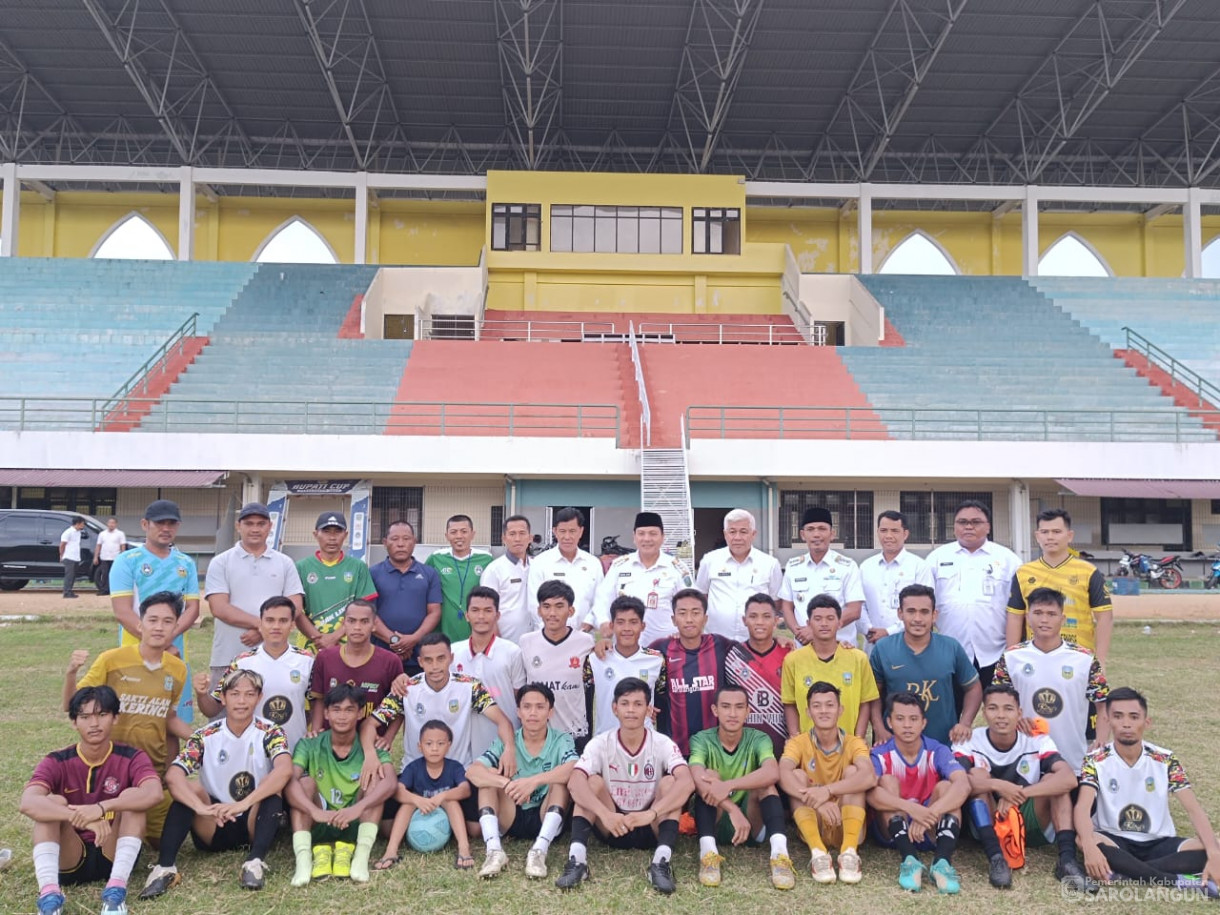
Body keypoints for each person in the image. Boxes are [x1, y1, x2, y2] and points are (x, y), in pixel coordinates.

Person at [139, 669, 292, 899]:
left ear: (259, 698)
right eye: (235, 694)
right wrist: (202, 808)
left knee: (274, 787)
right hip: (213, 820)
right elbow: (173, 776)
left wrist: (244, 804)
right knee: (189, 789)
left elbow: (284, 769)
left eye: (249, 694)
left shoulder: (271, 731)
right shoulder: (204, 735)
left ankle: (255, 862)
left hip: (252, 818)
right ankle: (165, 868)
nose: (242, 701)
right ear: (223, 698)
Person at [21, 685, 163, 915]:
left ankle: (116, 892)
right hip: (69, 855)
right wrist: (81, 818)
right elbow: (27, 803)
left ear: (115, 718)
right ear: (74, 722)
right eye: (85, 717)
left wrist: (102, 808)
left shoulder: (132, 756)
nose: (94, 724)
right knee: (52, 802)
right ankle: (49, 897)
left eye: (102, 715)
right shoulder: (57, 759)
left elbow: (153, 793)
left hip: (112, 851)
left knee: (131, 798)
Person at [67, 590, 192, 845]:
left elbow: (167, 718)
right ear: (139, 623)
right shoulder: (112, 660)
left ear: (176, 627)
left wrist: (200, 737)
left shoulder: (178, 669)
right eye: (152, 620)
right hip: (111, 769)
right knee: (106, 842)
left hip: (150, 772)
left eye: (167, 621)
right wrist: (71, 673)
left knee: (162, 841)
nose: (159, 627)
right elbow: (73, 704)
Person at [555, 677, 695, 895]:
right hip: (612, 824)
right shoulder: (601, 742)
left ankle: (661, 862)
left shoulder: (662, 743)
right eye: (625, 704)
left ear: (648, 710)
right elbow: (574, 782)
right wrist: (605, 814)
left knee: (670, 782)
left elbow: (687, 782)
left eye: (638, 704)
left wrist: (651, 813)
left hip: (651, 824)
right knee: (590, 782)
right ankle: (578, 860)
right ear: (614, 708)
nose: (631, 710)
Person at [1076, 687, 1220, 889]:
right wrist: (1090, 848)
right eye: (1118, 716)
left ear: (1146, 722)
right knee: (1083, 840)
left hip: (1159, 841)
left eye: (1134, 717)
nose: (1126, 723)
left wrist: (1214, 855)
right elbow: (1083, 807)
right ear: (1108, 721)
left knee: (1213, 848)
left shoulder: (1165, 759)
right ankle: (1175, 880)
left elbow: (1193, 809)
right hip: (1114, 839)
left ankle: (1128, 872)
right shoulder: (1095, 759)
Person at [954, 684, 1088, 890]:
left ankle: (1067, 860)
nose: (1000, 715)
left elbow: (1069, 779)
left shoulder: (1036, 738)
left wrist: (1020, 793)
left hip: (1028, 818)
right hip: (991, 821)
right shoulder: (969, 740)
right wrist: (998, 785)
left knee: (1055, 781)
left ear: (1019, 713)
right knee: (976, 776)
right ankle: (996, 858)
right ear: (984, 712)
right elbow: (956, 783)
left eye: (1008, 709)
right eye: (993, 708)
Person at [363, 633, 517, 783]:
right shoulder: (407, 689)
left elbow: (503, 721)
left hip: (459, 775)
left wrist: (509, 749)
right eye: (428, 660)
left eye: (441, 659)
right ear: (420, 662)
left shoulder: (470, 686)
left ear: (451, 658)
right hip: (414, 775)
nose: (435, 666)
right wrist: (370, 755)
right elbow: (369, 724)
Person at [286, 684, 396, 886]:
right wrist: (314, 811)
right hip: (319, 818)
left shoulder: (372, 747)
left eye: (349, 710)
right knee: (304, 782)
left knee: (376, 778)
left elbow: (390, 782)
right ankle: (303, 860)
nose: (342, 716)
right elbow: (289, 781)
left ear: (360, 712)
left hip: (357, 820)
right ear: (326, 713)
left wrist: (357, 808)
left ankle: (361, 856)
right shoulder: (309, 743)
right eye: (336, 710)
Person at [467, 683, 579, 879]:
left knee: (560, 782)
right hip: (512, 814)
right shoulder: (508, 741)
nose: (533, 713)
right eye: (527, 707)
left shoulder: (561, 739)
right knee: (488, 780)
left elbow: (574, 768)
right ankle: (494, 851)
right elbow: (472, 772)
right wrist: (506, 783)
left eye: (540, 707)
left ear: (550, 712)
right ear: (518, 712)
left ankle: (539, 851)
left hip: (547, 814)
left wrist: (533, 781)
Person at [993, 586, 1110, 774]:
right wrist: (1014, 720)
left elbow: (1103, 705)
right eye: (1038, 613)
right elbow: (997, 703)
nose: (1044, 620)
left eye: (1051, 614)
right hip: (1023, 758)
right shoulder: (1011, 657)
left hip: (1072, 759)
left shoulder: (1085, 659)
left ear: (1062, 619)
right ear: (1028, 618)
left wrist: (1101, 742)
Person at [688, 684, 795, 890]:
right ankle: (708, 854)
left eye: (739, 707)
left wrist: (728, 785)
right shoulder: (701, 739)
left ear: (748, 711)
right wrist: (732, 808)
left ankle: (780, 856)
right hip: (716, 820)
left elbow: (773, 772)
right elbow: (697, 777)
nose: (732, 713)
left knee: (767, 786)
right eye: (726, 707)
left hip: (751, 823)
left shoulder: (759, 738)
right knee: (709, 777)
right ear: (715, 710)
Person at [868, 692, 970, 894]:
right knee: (886, 782)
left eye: (913, 719)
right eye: (900, 719)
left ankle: (942, 862)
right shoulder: (879, 754)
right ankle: (909, 860)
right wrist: (912, 809)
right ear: (889, 722)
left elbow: (963, 785)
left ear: (923, 723)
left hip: (929, 828)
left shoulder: (937, 750)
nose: (907, 725)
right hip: (894, 829)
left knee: (948, 787)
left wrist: (928, 815)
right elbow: (870, 795)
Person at [109, 499, 199, 722]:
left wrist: (170, 640)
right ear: (144, 525)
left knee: (173, 719)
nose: (166, 529)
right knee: (136, 720)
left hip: (176, 653)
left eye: (172, 523)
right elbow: (122, 611)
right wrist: (160, 643)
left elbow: (193, 608)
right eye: (159, 523)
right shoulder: (127, 561)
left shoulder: (186, 563)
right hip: (135, 652)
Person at [779, 681, 876, 884]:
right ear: (808, 712)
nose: (824, 711)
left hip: (846, 820)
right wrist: (820, 801)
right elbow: (783, 773)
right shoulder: (798, 742)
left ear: (840, 710)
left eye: (830, 705)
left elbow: (869, 776)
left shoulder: (854, 742)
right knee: (796, 776)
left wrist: (828, 790)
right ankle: (818, 854)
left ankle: (849, 852)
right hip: (815, 821)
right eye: (817, 706)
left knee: (854, 772)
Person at [204, 502, 304, 690]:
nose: (255, 529)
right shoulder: (221, 562)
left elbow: (295, 606)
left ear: (270, 526)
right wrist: (263, 625)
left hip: (274, 657)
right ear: (238, 526)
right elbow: (219, 608)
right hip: (228, 656)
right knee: (225, 712)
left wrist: (262, 632)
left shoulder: (285, 563)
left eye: (261, 524)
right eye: (249, 523)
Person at [870, 584, 982, 747]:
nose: (917, 619)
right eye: (911, 611)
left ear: (934, 615)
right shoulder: (883, 648)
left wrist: (965, 723)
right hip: (895, 745)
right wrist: (879, 728)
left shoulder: (951, 647)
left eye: (924, 612)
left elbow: (973, 687)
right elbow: (872, 695)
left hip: (943, 744)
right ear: (900, 613)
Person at [197, 595, 314, 750]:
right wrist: (201, 694)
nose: (276, 626)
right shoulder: (242, 662)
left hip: (294, 749)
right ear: (260, 623)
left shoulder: (307, 661)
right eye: (270, 620)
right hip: (253, 753)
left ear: (292, 625)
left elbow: (317, 702)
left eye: (283, 621)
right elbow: (212, 709)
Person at [925, 500, 1020, 689]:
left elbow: (1018, 608)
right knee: (950, 711)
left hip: (995, 651)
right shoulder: (936, 558)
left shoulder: (1008, 559)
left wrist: (1012, 651)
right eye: (962, 522)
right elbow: (925, 603)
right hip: (950, 651)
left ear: (988, 527)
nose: (968, 526)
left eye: (976, 522)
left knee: (1000, 711)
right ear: (954, 527)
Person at [1007, 508, 1113, 665]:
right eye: (1044, 532)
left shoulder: (1088, 572)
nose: (1050, 537)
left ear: (1069, 536)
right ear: (1037, 536)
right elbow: (1015, 617)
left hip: (1078, 658)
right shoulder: (1023, 573)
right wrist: (1011, 658)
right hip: (1034, 658)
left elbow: (1105, 617)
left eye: (1056, 532)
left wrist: (1100, 661)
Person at [651, 588, 739, 757]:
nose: (689, 619)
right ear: (673, 619)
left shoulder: (720, 644)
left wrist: (778, 639)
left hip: (715, 747)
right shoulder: (660, 648)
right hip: (673, 748)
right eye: (682, 613)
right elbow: (631, 658)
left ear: (705, 618)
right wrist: (605, 645)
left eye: (695, 613)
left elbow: (752, 648)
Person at [781, 594, 878, 742]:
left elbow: (865, 702)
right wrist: (795, 738)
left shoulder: (858, 659)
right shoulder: (793, 660)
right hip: (808, 747)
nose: (824, 624)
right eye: (818, 619)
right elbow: (790, 703)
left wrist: (858, 738)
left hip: (847, 745)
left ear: (839, 623)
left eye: (830, 619)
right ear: (808, 623)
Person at [380, 720, 474, 869]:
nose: (434, 749)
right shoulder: (414, 767)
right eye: (429, 744)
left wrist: (442, 796)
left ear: (449, 745)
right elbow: (398, 790)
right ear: (420, 746)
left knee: (451, 801)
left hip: (445, 816)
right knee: (407, 803)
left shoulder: (454, 767)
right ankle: (391, 851)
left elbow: (465, 789)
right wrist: (417, 800)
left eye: (440, 743)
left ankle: (464, 848)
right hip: (419, 814)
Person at [592, 512, 694, 646]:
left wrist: (684, 630)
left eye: (653, 534)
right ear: (634, 537)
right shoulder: (620, 566)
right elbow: (602, 599)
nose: (647, 539)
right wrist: (603, 622)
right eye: (641, 533)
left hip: (668, 646)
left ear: (663, 537)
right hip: (626, 647)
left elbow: (692, 603)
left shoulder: (677, 568)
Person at [518, 580, 597, 749]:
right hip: (538, 733)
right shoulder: (526, 642)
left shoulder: (585, 642)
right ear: (539, 610)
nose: (552, 613)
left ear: (571, 611)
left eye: (559, 606)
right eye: (546, 606)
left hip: (574, 733)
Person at [452, 586, 527, 753]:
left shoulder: (512, 652)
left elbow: (520, 698)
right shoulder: (453, 653)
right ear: (467, 615)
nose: (481, 616)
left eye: (487, 611)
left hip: (504, 742)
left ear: (497, 615)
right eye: (475, 610)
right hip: (464, 745)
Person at [309, 599, 404, 730]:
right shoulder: (325, 657)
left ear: (374, 625)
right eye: (352, 621)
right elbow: (318, 700)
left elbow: (398, 705)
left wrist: (387, 738)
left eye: (364, 622)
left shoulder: (390, 661)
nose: (357, 627)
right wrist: (316, 732)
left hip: (371, 742)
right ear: (344, 624)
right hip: (331, 740)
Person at [777, 507, 864, 644]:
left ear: (832, 534)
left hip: (840, 649)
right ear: (802, 534)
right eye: (810, 529)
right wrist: (799, 632)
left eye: (822, 529)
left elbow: (854, 610)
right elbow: (787, 606)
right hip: (804, 649)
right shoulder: (793, 567)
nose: (816, 534)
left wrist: (815, 631)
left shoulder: (847, 566)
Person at [583, 595, 666, 737]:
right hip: (605, 741)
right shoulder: (595, 659)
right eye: (620, 622)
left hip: (644, 742)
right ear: (611, 625)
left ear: (642, 626)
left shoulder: (656, 660)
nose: (627, 628)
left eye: (633, 622)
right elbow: (585, 705)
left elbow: (662, 703)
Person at [694, 509, 782, 642]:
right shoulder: (709, 560)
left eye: (743, 531)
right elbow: (701, 596)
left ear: (753, 534)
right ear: (725, 534)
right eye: (732, 531)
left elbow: (776, 602)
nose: (737, 537)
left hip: (756, 642)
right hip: (716, 640)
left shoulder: (770, 564)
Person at [295, 511, 377, 651]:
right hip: (310, 645)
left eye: (337, 532)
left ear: (345, 535)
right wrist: (319, 638)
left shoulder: (358, 567)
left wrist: (334, 637)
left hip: (348, 646)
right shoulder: (301, 567)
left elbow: (364, 610)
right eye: (326, 532)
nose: (332, 537)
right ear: (316, 534)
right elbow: (296, 611)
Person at [370, 519, 441, 675]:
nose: (400, 544)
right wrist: (394, 641)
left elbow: (434, 612)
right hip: (380, 654)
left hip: (419, 657)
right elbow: (368, 614)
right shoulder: (372, 574)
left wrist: (413, 639)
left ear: (414, 542)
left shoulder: (429, 573)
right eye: (394, 539)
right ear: (384, 542)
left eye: (406, 539)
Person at [724, 593, 791, 759]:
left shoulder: (790, 653)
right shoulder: (732, 655)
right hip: (743, 748)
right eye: (753, 616)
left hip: (785, 746)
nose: (759, 622)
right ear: (744, 620)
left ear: (776, 621)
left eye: (766, 616)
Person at [859, 511, 933, 648]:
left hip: (908, 644)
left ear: (905, 534)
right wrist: (868, 629)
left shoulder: (919, 566)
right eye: (883, 530)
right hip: (873, 644)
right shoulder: (866, 567)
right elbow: (859, 604)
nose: (888, 536)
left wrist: (888, 631)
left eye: (894, 531)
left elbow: (924, 607)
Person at [528, 507, 604, 629]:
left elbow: (600, 600)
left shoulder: (593, 564)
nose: (567, 537)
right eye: (562, 531)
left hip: (584, 636)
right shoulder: (540, 563)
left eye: (572, 531)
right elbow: (534, 603)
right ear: (555, 531)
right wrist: (549, 630)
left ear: (581, 531)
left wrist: (589, 623)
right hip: (548, 636)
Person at [426, 514, 494, 643]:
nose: (459, 536)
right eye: (453, 532)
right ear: (446, 535)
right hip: (445, 625)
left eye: (464, 531)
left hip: (476, 623)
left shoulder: (486, 559)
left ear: (472, 534)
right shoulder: (436, 558)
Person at [479, 514, 537, 642]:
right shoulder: (494, 570)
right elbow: (486, 607)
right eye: (512, 534)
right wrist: (497, 640)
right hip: (505, 639)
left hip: (535, 638)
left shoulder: (537, 566)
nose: (517, 538)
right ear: (504, 538)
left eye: (522, 533)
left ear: (530, 538)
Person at [92, 517, 127, 597]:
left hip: (115, 558)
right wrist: (95, 557)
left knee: (115, 574)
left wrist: (123, 557)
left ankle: (114, 590)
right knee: (104, 574)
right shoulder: (102, 534)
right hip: (104, 557)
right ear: (107, 524)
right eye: (110, 523)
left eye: (113, 523)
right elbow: (98, 546)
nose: (111, 525)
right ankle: (104, 590)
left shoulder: (120, 534)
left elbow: (122, 546)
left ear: (116, 524)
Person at [58, 516, 86, 599]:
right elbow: (62, 544)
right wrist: (61, 555)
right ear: (77, 523)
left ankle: (70, 590)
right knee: (69, 575)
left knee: (73, 575)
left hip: (76, 557)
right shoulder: (68, 532)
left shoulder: (78, 532)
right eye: (82, 524)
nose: (83, 525)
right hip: (69, 556)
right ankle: (66, 592)